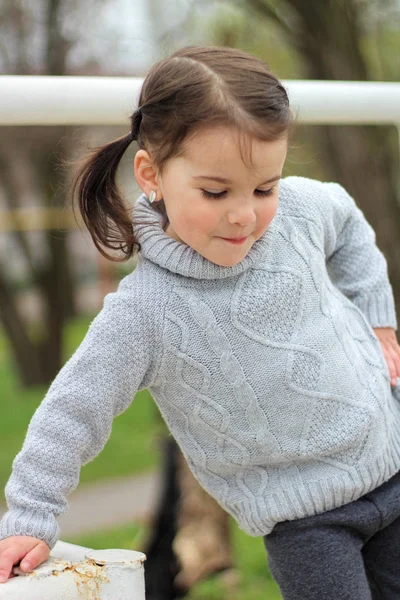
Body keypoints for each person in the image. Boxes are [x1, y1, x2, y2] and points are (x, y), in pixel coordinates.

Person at [1, 45, 400, 600]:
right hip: (309, 526)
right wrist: (29, 516)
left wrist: (380, 321)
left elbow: (350, 224)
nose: (245, 213)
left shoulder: (303, 214)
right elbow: (72, 410)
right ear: (151, 175)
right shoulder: (145, 315)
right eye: (216, 192)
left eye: (265, 188)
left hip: (393, 459)